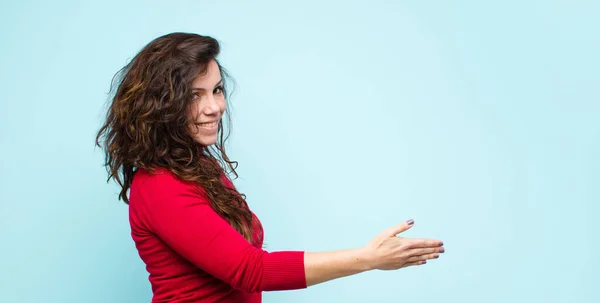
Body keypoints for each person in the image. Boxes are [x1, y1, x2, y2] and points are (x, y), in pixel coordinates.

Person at [96, 32, 445, 303]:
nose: (215, 106)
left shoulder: (197, 166)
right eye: (193, 96)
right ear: (160, 105)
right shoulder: (160, 186)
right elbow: (251, 270)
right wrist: (368, 258)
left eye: (216, 90)